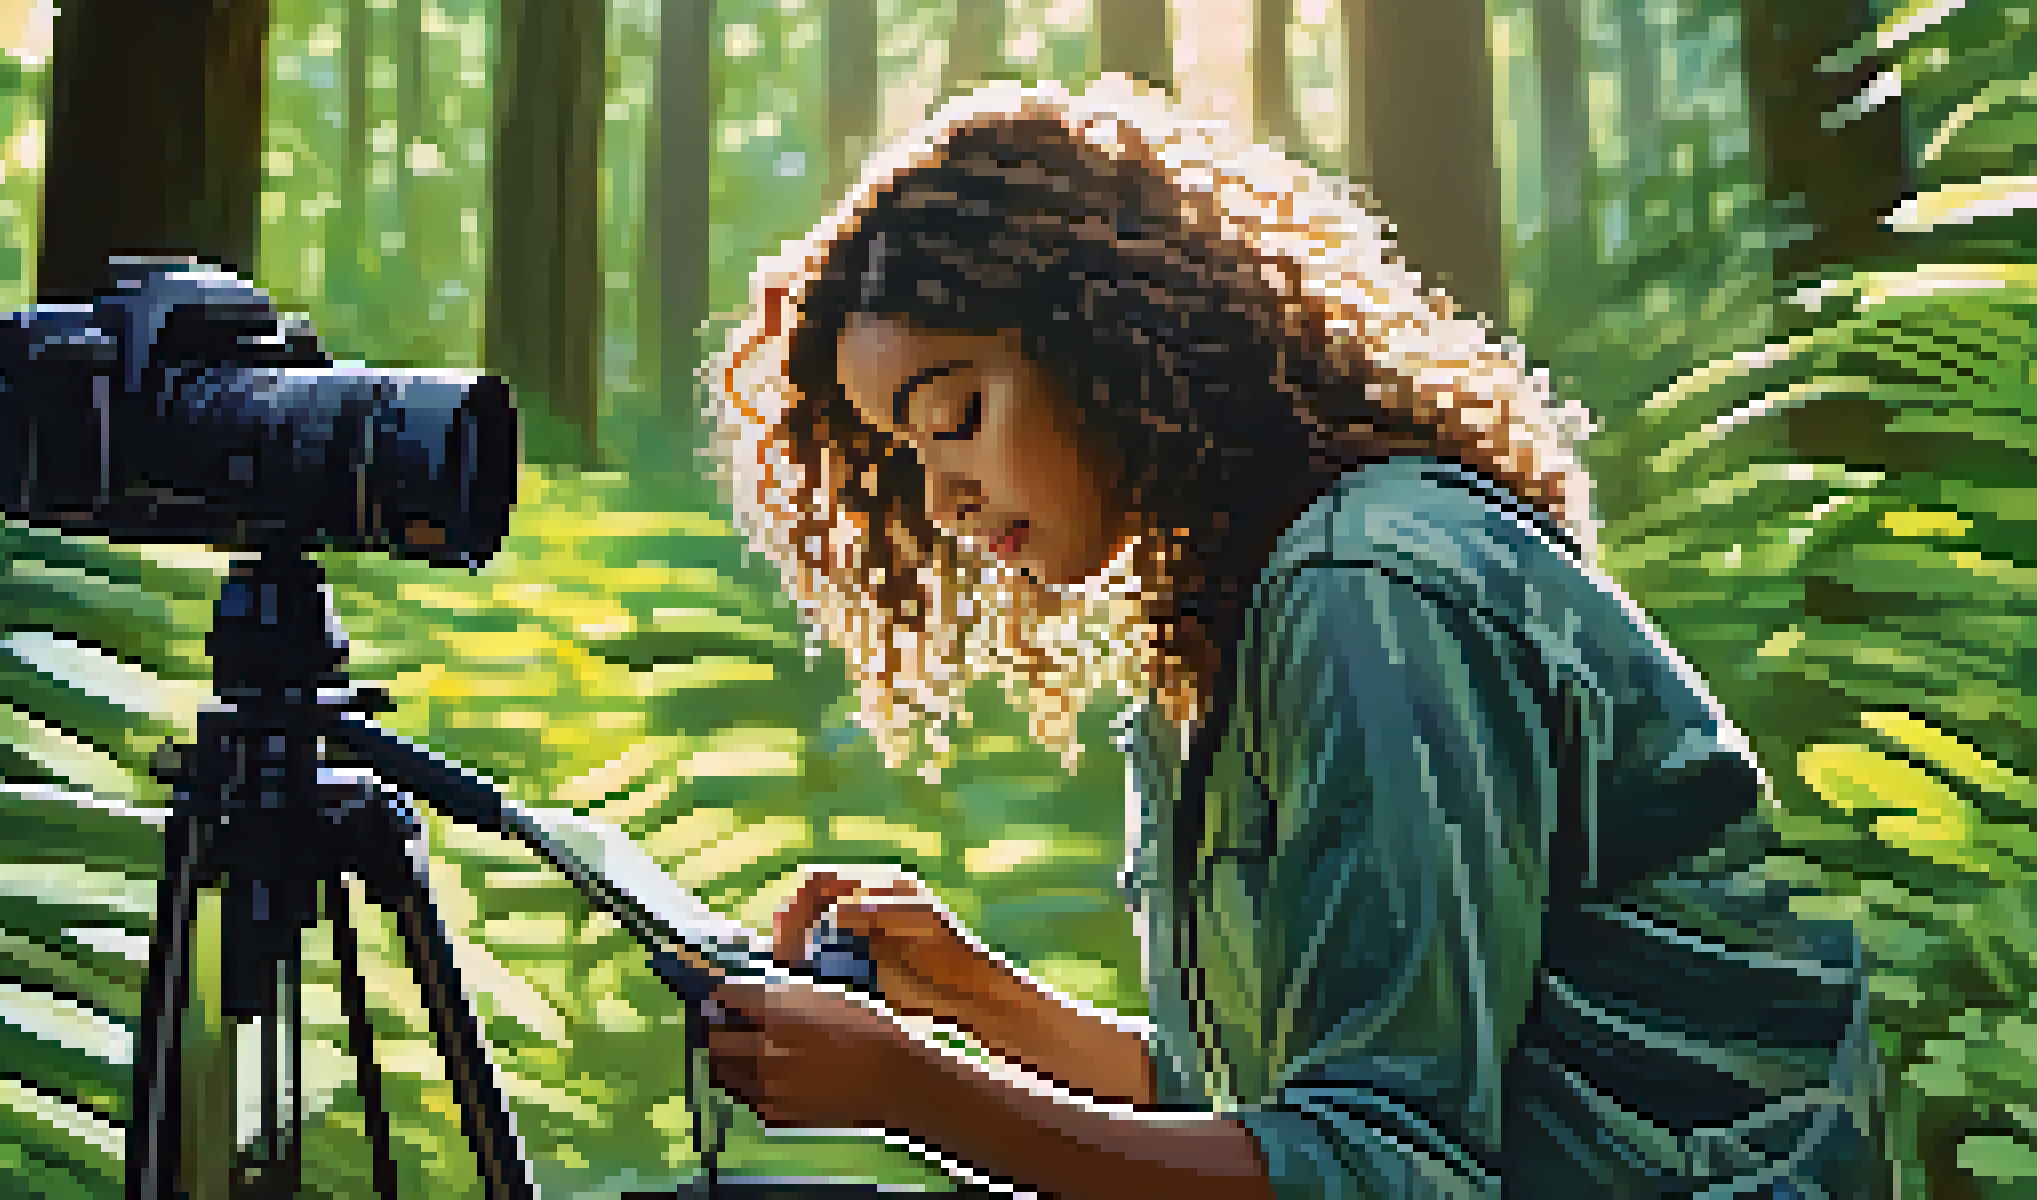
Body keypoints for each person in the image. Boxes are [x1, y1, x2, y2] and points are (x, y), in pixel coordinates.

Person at [696, 76, 1889, 1198]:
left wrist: (915, 1096)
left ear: (1106, 337)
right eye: (905, 458)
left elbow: (1381, 1165)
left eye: (953, 414)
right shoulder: (1218, 626)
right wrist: (969, 999)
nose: (943, 498)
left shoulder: (1370, 590)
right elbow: (1259, 1100)